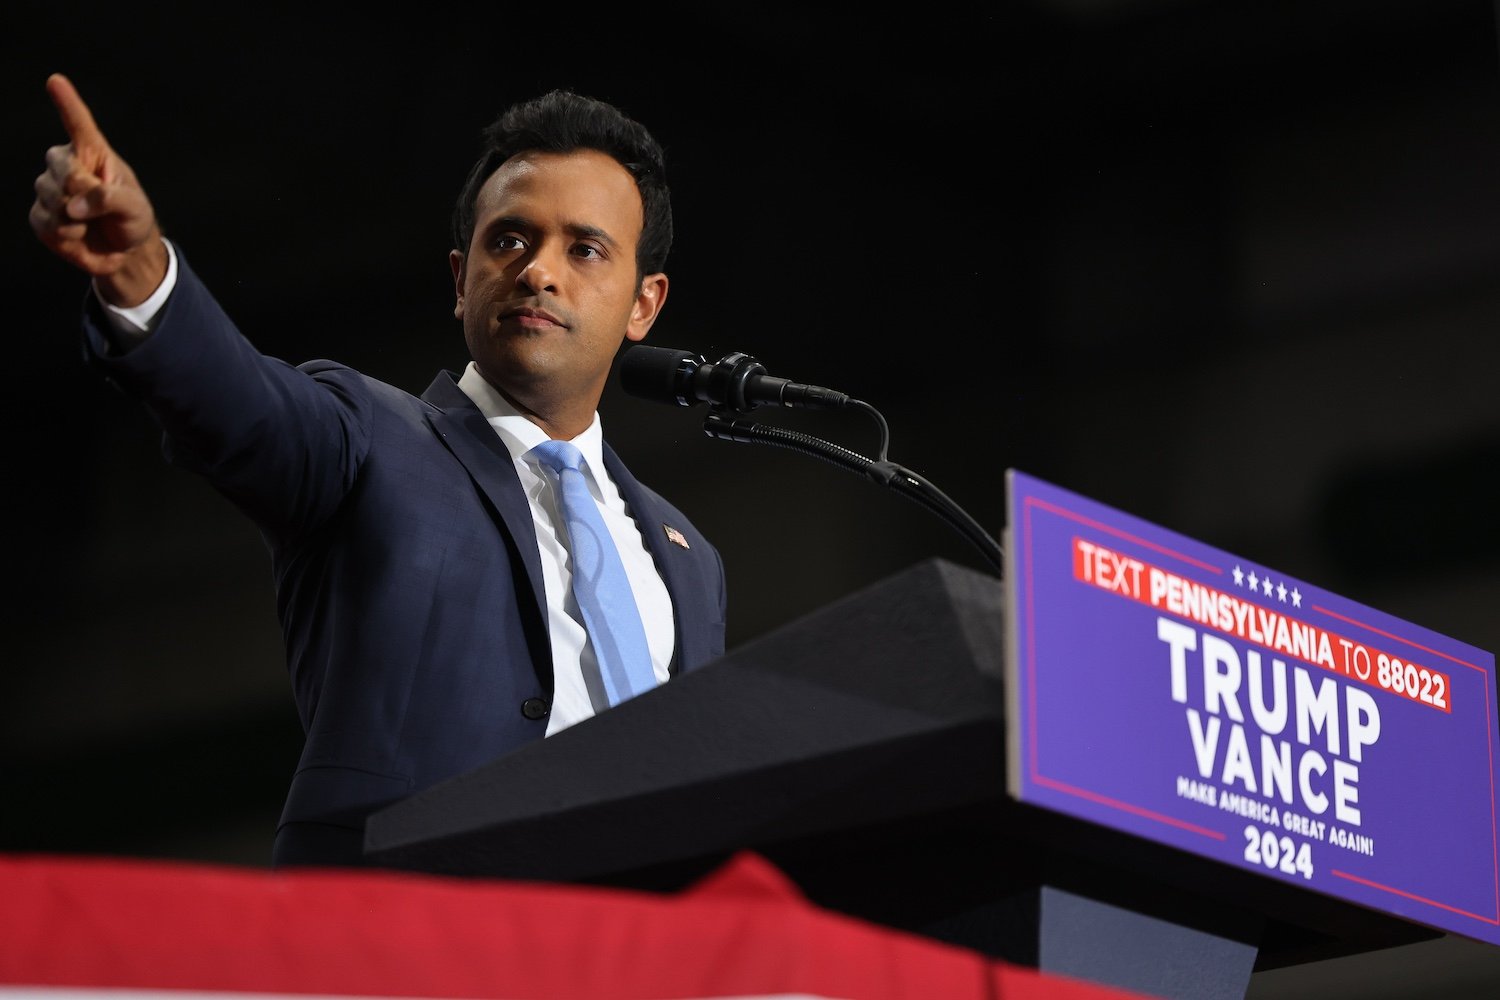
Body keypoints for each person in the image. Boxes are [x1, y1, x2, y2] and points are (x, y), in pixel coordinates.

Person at [29, 73, 729, 868]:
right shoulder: (368, 437)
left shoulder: (688, 559)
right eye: (509, 239)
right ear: (461, 278)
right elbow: (239, 405)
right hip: (406, 942)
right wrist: (140, 273)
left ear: (645, 303)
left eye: (585, 249)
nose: (539, 270)